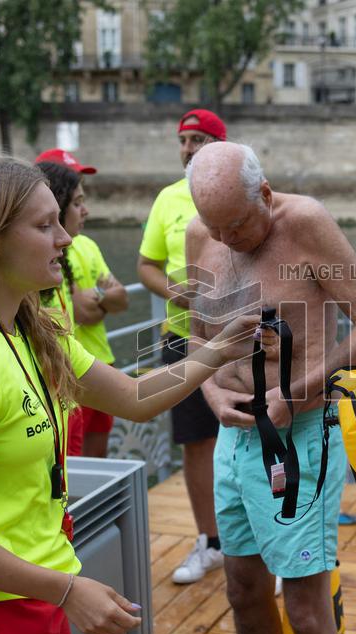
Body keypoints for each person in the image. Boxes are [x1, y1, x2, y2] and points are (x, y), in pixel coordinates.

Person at [0, 157, 267, 634]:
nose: (65, 239)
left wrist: (219, 348)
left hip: (37, 598)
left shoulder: (29, 330)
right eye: (45, 226)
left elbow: (135, 398)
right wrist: (66, 590)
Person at [185, 141, 356, 634]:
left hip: (300, 436)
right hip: (233, 439)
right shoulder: (200, 236)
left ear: (266, 194)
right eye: (215, 227)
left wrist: (293, 392)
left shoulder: (305, 224)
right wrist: (210, 390)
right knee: (243, 593)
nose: (226, 239)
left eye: (237, 225)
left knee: (303, 609)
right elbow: (194, 334)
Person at [137, 109, 227, 583]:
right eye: (183, 140)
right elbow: (146, 264)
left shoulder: (242, 187)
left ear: (218, 144)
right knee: (196, 441)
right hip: (183, 337)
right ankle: (210, 541)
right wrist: (174, 292)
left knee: (254, 431)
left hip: (239, 338)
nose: (188, 148)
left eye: (198, 139)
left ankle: (265, 539)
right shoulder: (168, 199)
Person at [36, 149, 128, 458]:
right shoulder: (40, 266)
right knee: (73, 468)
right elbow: (85, 313)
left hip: (90, 366)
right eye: (77, 201)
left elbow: (118, 299)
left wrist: (98, 299)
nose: (85, 210)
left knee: (91, 467)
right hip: (66, 380)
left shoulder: (85, 245)